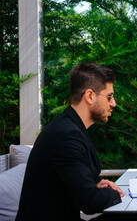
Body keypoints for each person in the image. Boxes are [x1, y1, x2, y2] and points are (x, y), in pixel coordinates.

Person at [16, 62, 125, 221]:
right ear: (89, 96)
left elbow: (67, 187)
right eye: (109, 96)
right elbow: (89, 203)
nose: (113, 103)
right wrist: (115, 193)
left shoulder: (67, 127)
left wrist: (94, 189)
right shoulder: (66, 135)